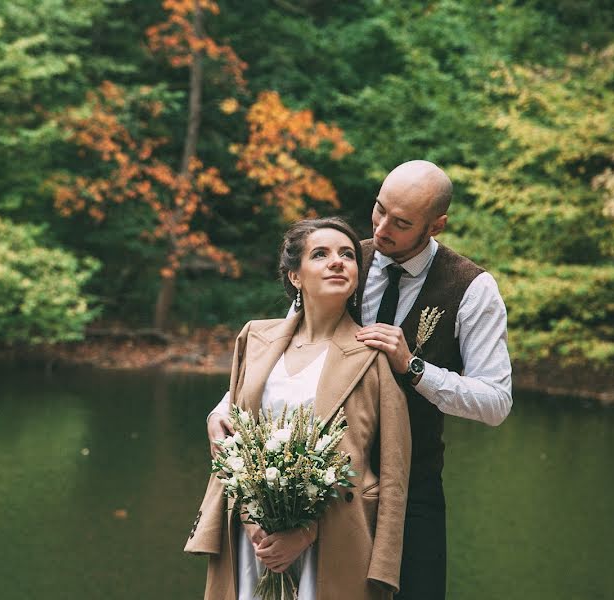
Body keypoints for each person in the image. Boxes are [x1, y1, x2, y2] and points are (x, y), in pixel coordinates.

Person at [206, 160, 513, 600]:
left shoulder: (473, 289)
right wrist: (222, 410)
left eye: (401, 222)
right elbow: (280, 353)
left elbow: (496, 401)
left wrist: (415, 368)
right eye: (379, 209)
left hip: (408, 487)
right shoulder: (342, 261)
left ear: (437, 224)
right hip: (314, 491)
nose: (382, 227)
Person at [185, 217, 413, 599]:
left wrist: (311, 535)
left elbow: (394, 472)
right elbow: (235, 424)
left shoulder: (374, 356)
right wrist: (252, 518)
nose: (338, 262)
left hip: (335, 541)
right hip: (250, 537)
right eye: (320, 254)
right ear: (295, 276)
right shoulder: (255, 338)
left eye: (347, 255)